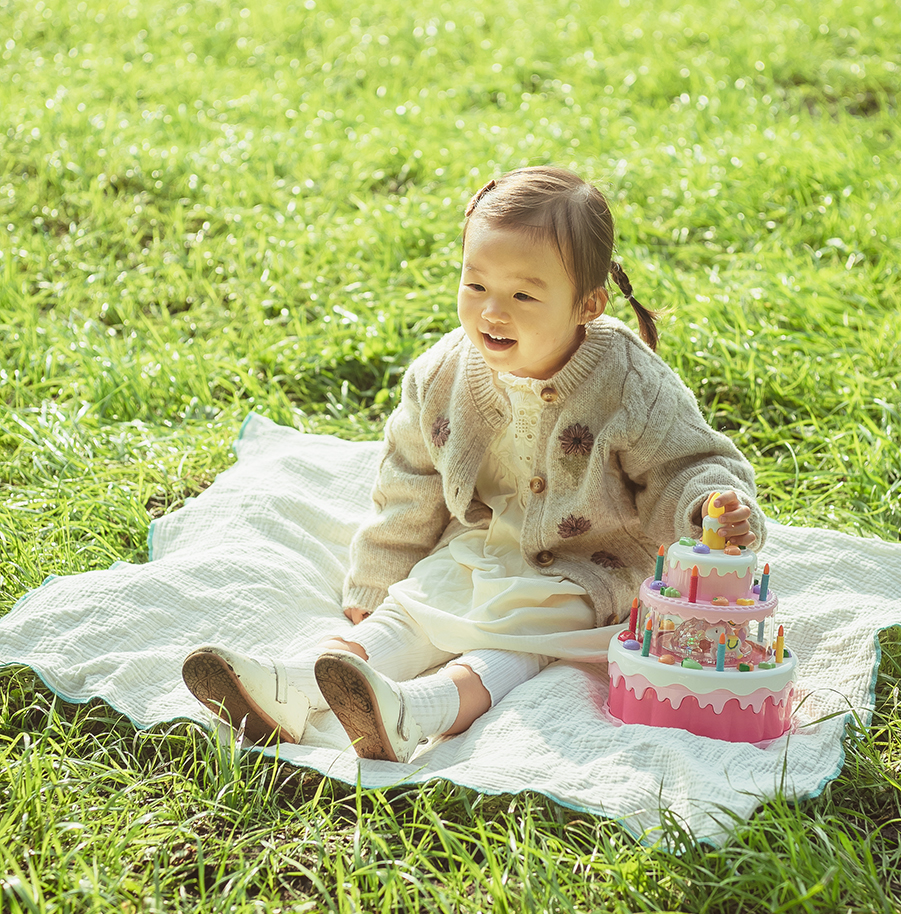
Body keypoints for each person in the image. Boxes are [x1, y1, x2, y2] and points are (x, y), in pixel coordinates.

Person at [182, 166, 765, 761]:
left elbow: (688, 461)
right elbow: (410, 477)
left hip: (588, 565)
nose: (492, 311)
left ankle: (417, 711)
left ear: (587, 304)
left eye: (523, 295)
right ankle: (297, 685)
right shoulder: (442, 374)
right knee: (415, 607)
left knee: (526, 635)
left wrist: (709, 506)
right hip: (481, 545)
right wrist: (381, 572)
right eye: (475, 285)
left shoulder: (626, 382)